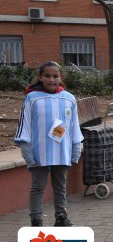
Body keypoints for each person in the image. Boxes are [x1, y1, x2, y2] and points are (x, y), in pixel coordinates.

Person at [14, 61, 84, 226]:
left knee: (60, 186)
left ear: (61, 77)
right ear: (40, 77)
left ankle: (61, 217)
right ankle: (36, 219)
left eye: (55, 76)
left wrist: (75, 149)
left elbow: (74, 126)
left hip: (61, 152)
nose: (51, 80)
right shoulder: (32, 98)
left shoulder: (69, 99)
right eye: (47, 76)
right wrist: (27, 152)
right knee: (38, 187)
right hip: (39, 154)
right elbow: (24, 126)